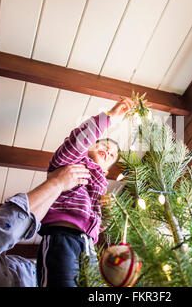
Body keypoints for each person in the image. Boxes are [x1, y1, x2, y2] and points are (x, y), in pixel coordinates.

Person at [37, 98, 133, 287]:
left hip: (89, 245)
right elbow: (77, 142)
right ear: (89, 146)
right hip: (62, 237)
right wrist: (110, 117)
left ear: (106, 170)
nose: (107, 151)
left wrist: (106, 214)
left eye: (112, 154)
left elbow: (99, 223)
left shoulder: (100, 186)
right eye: (103, 145)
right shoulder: (70, 163)